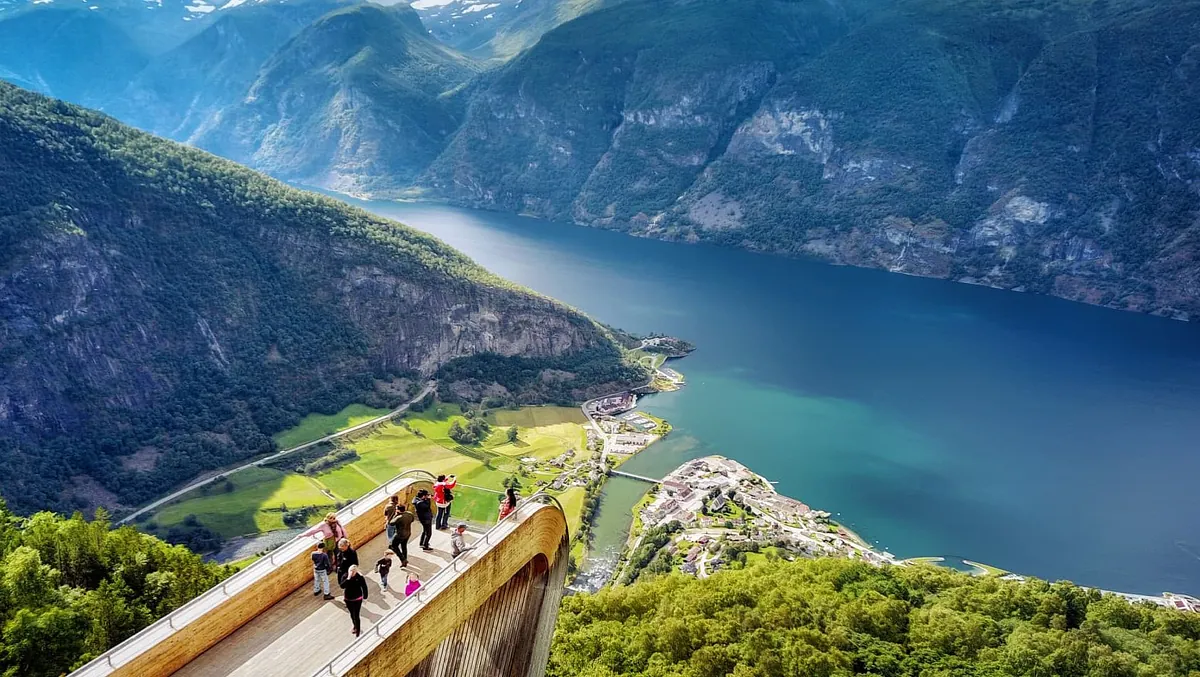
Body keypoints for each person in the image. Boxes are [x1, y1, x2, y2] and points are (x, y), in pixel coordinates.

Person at [342, 564, 368, 636]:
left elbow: (364, 587)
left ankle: (358, 632)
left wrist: (365, 597)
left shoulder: (359, 577)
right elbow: (342, 586)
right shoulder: (345, 576)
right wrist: (348, 578)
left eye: (354, 571)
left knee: (356, 615)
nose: (352, 572)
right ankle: (355, 626)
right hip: (348, 599)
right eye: (351, 571)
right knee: (352, 614)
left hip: (357, 599)